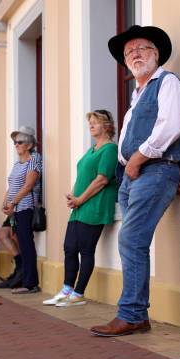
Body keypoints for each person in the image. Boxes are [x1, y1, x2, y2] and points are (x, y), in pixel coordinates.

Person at [90, 25, 180, 337]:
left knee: (131, 240)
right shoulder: (137, 95)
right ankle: (136, 314)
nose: (135, 54)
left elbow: (170, 125)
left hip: (152, 168)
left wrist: (139, 158)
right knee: (132, 242)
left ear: (156, 54)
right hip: (135, 174)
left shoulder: (167, 82)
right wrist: (128, 165)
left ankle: (132, 314)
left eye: (142, 49)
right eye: (129, 52)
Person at [43, 110, 118, 307]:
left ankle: (78, 293)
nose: (91, 126)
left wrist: (80, 199)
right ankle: (67, 289)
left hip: (95, 206)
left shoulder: (110, 149)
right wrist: (73, 196)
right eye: (90, 123)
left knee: (85, 250)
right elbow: (83, 175)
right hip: (79, 206)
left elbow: (102, 179)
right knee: (69, 248)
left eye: (95, 123)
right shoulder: (92, 149)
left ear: (107, 126)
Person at [2, 126, 42, 294]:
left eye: (19, 142)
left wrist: (13, 203)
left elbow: (28, 185)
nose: (16, 145)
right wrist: (6, 202)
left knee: (26, 245)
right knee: (21, 243)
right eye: (15, 142)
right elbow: (12, 185)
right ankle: (24, 279)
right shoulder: (17, 163)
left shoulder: (33, 160)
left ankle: (31, 283)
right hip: (16, 209)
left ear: (29, 145)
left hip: (25, 208)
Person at [0, 217, 22, 289]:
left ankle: (21, 272)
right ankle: (19, 267)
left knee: (15, 234)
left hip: (22, 209)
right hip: (12, 213)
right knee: (2, 234)